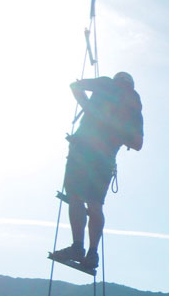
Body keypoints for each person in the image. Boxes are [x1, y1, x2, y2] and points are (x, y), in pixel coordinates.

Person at [51, 71, 143, 271]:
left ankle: (77, 247)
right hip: (104, 159)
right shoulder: (134, 106)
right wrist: (117, 132)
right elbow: (138, 143)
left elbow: (74, 86)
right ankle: (92, 253)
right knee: (95, 205)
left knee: (75, 198)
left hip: (82, 151)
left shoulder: (105, 84)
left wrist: (89, 108)